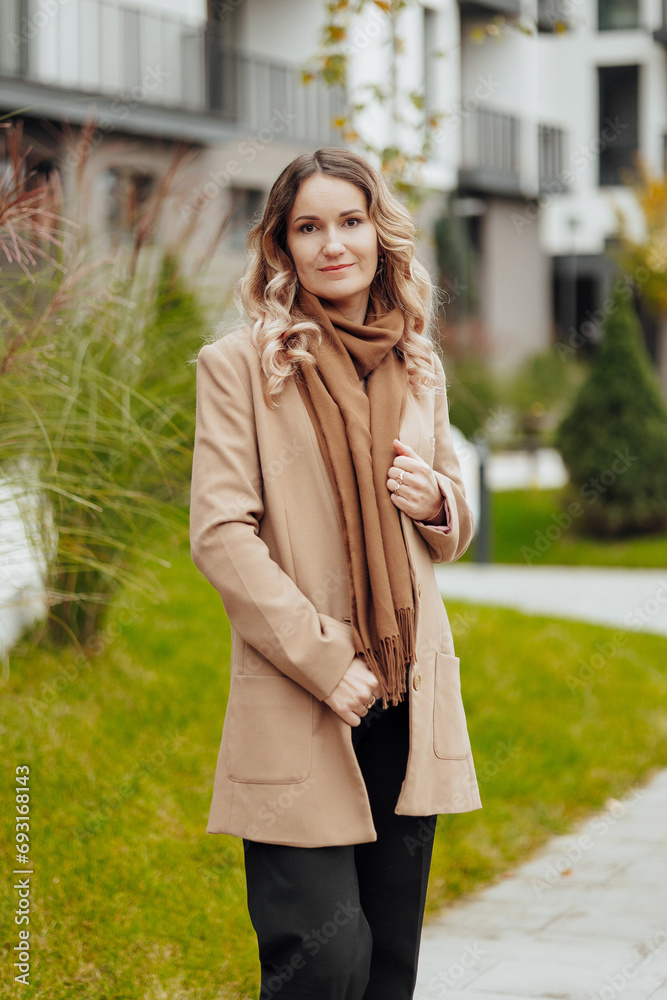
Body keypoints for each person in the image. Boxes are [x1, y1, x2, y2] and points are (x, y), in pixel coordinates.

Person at [189, 147, 482, 1000]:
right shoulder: (241, 365)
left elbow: (450, 515)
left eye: (349, 222)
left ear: (378, 234)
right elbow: (221, 534)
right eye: (307, 227)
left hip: (404, 696)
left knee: (388, 970)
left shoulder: (415, 362)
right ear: (281, 246)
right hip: (303, 693)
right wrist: (328, 664)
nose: (332, 245)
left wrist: (435, 500)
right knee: (322, 966)